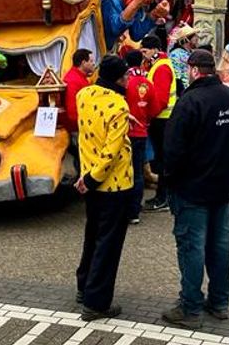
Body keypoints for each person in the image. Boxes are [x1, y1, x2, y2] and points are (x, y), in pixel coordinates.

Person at [160, 49, 229, 328]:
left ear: (194, 70)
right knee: (220, 246)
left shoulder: (190, 102)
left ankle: (190, 307)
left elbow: (173, 150)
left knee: (192, 247)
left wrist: (170, 181)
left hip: (193, 190)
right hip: (224, 187)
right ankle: (220, 301)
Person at [74, 55, 135, 321]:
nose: (129, 79)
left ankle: (84, 285)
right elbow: (111, 151)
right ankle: (96, 302)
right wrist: (94, 178)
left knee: (92, 234)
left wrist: (87, 178)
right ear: (119, 79)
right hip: (113, 184)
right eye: (126, 75)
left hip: (88, 177)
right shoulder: (119, 105)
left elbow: (93, 129)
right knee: (108, 244)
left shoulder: (84, 95)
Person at [142, 35, 178, 212]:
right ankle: (163, 196)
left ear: (154, 49)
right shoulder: (158, 65)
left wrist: (148, 116)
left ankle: (163, 198)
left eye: (145, 51)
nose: (143, 55)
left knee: (162, 160)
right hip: (163, 118)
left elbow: (161, 99)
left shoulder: (161, 68)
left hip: (162, 119)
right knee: (162, 159)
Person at [123, 50, 157, 225]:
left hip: (124, 134)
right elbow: (154, 108)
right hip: (142, 133)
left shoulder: (124, 82)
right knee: (138, 173)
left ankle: (123, 209)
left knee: (123, 172)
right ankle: (134, 211)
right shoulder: (148, 82)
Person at [63, 48, 96, 135]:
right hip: (78, 128)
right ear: (83, 63)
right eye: (91, 61)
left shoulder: (80, 77)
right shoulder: (73, 80)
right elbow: (72, 109)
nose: (94, 64)